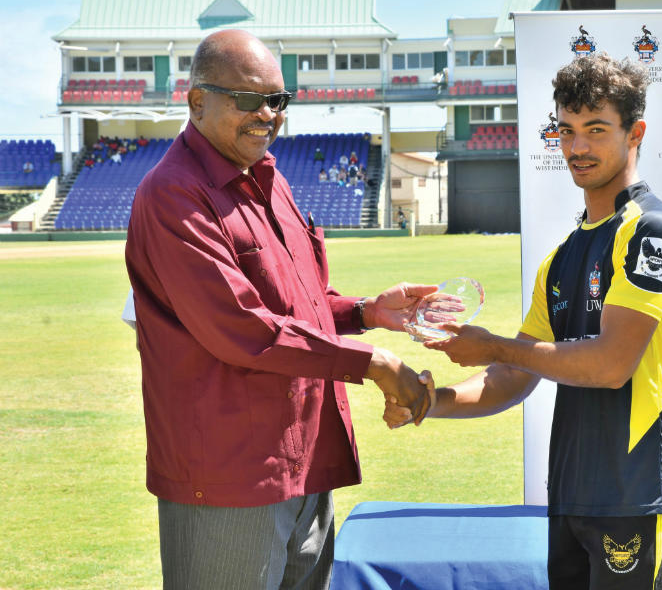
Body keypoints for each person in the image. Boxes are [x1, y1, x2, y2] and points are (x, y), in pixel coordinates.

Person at [125, 29, 433, 590]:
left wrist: (364, 311)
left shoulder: (270, 179)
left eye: (278, 100)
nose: (267, 114)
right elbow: (244, 329)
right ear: (197, 101)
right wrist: (376, 364)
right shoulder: (173, 193)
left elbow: (295, 305)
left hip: (305, 459)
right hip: (230, 472)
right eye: (248, 99)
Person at [386, 53, 662, 590]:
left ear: (636, 132)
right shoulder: (562, 256)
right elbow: (513, 376)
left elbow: (610, 365)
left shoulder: (652, 232)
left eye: (596, 130)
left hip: (636, 493)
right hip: (572, 495)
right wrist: (430, 402)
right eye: (567, 131)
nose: (577, 147)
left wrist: (497, 347)